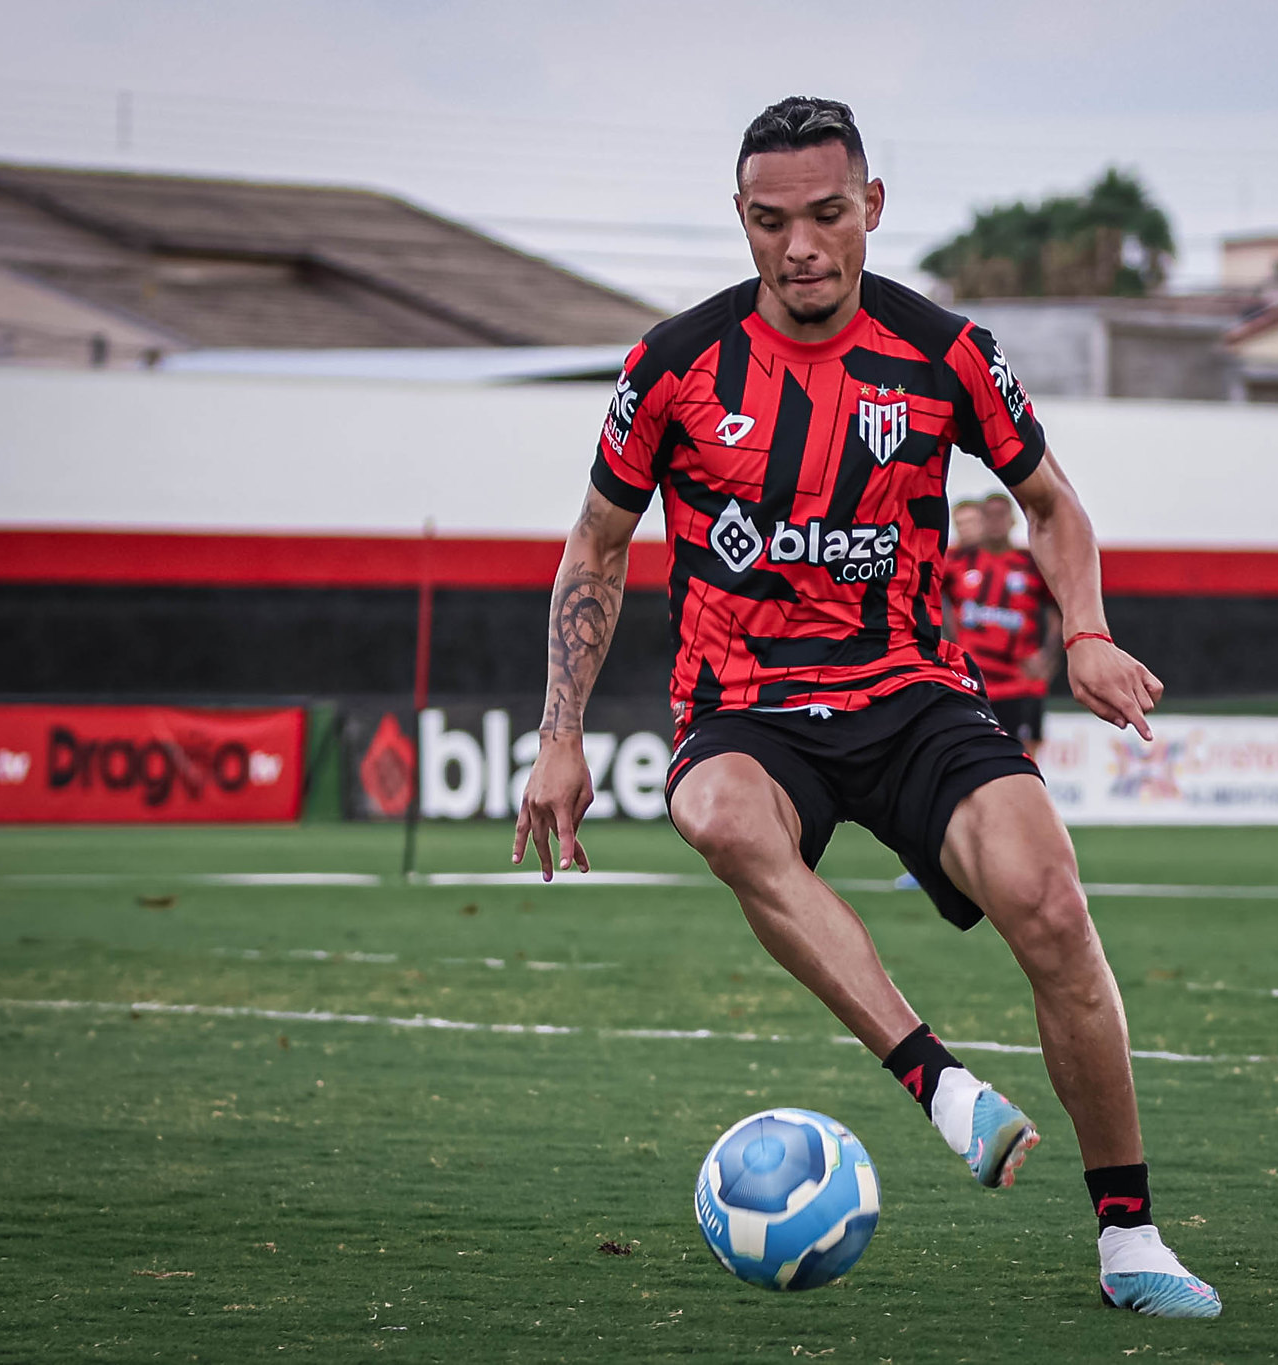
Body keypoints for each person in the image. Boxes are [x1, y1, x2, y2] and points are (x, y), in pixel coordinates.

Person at [513, 97, 1220, 1319]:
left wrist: (1086, 631)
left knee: (1051, 906)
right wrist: (558, 735)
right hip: (746, 709)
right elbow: (596, 545)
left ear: (871, 209)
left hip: (909, 693)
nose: (799, 246)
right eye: (769, 220)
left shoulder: (946, 353)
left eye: (826, 215)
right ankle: (942, 1090)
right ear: (739, 221)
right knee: (723, 819)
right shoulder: (671, 365)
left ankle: (1129, 1239)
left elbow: (1051, 506)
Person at [944, 490, 1062, 752]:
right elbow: (932, 601)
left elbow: (1059, 609)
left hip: (1022, 682)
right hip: (974, 680)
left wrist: (1048, 657)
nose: (996, 522)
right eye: (990, 515)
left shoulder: (1030, 564)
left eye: (1002, 515)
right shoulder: (956, 563)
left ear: (1012, 520)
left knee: (1024, 755)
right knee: (973, 752)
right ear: (981, 520)